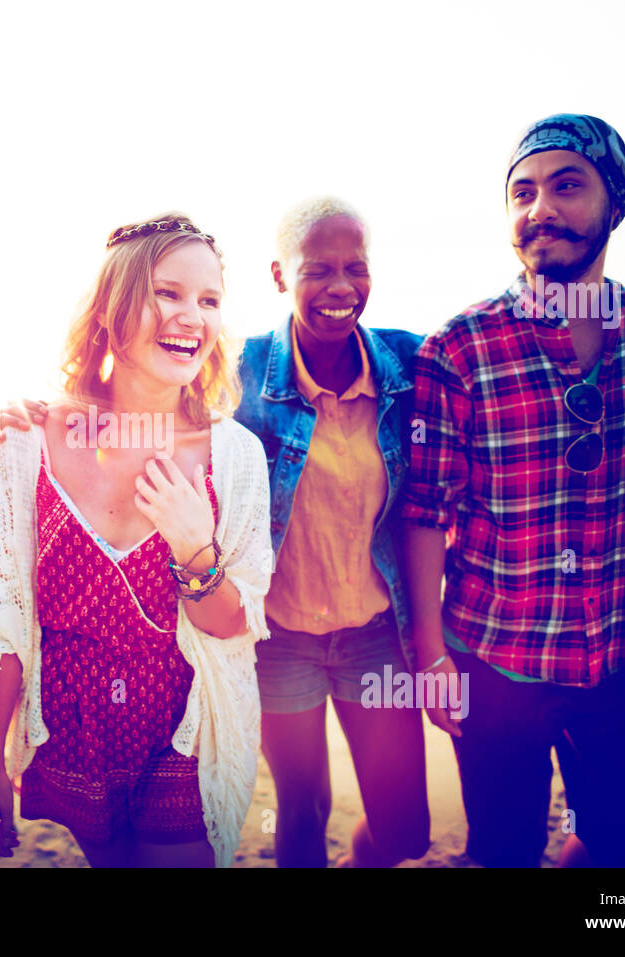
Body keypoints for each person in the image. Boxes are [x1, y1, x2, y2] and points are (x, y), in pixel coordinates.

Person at [401, 113, 625, 867]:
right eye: (522, 192)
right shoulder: (460, 345)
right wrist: (429, 656)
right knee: (502, 847)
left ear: (615, 202)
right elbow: (425, 511)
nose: (540, 209)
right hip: (495, 661)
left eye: (567, 186)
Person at [0, 214, 273, 867]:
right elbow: (2, 616)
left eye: (210, 300)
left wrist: (197, 550)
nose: (191, 315)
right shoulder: (32, 441)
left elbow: (235, 625)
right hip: (73, 725)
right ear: (113, 305)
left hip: (186, 725)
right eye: (168, 292)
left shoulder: (236, 456)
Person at [233, 198, 429, 867]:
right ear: (279, 275)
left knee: (406, 831)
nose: (342, 287)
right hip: (279, 636)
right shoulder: (242, 373)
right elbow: (140, 393)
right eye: (319, 269)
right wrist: (50, 416)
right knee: (302, 807)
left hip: (376, 631)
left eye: (356, 268)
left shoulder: (407, 364)